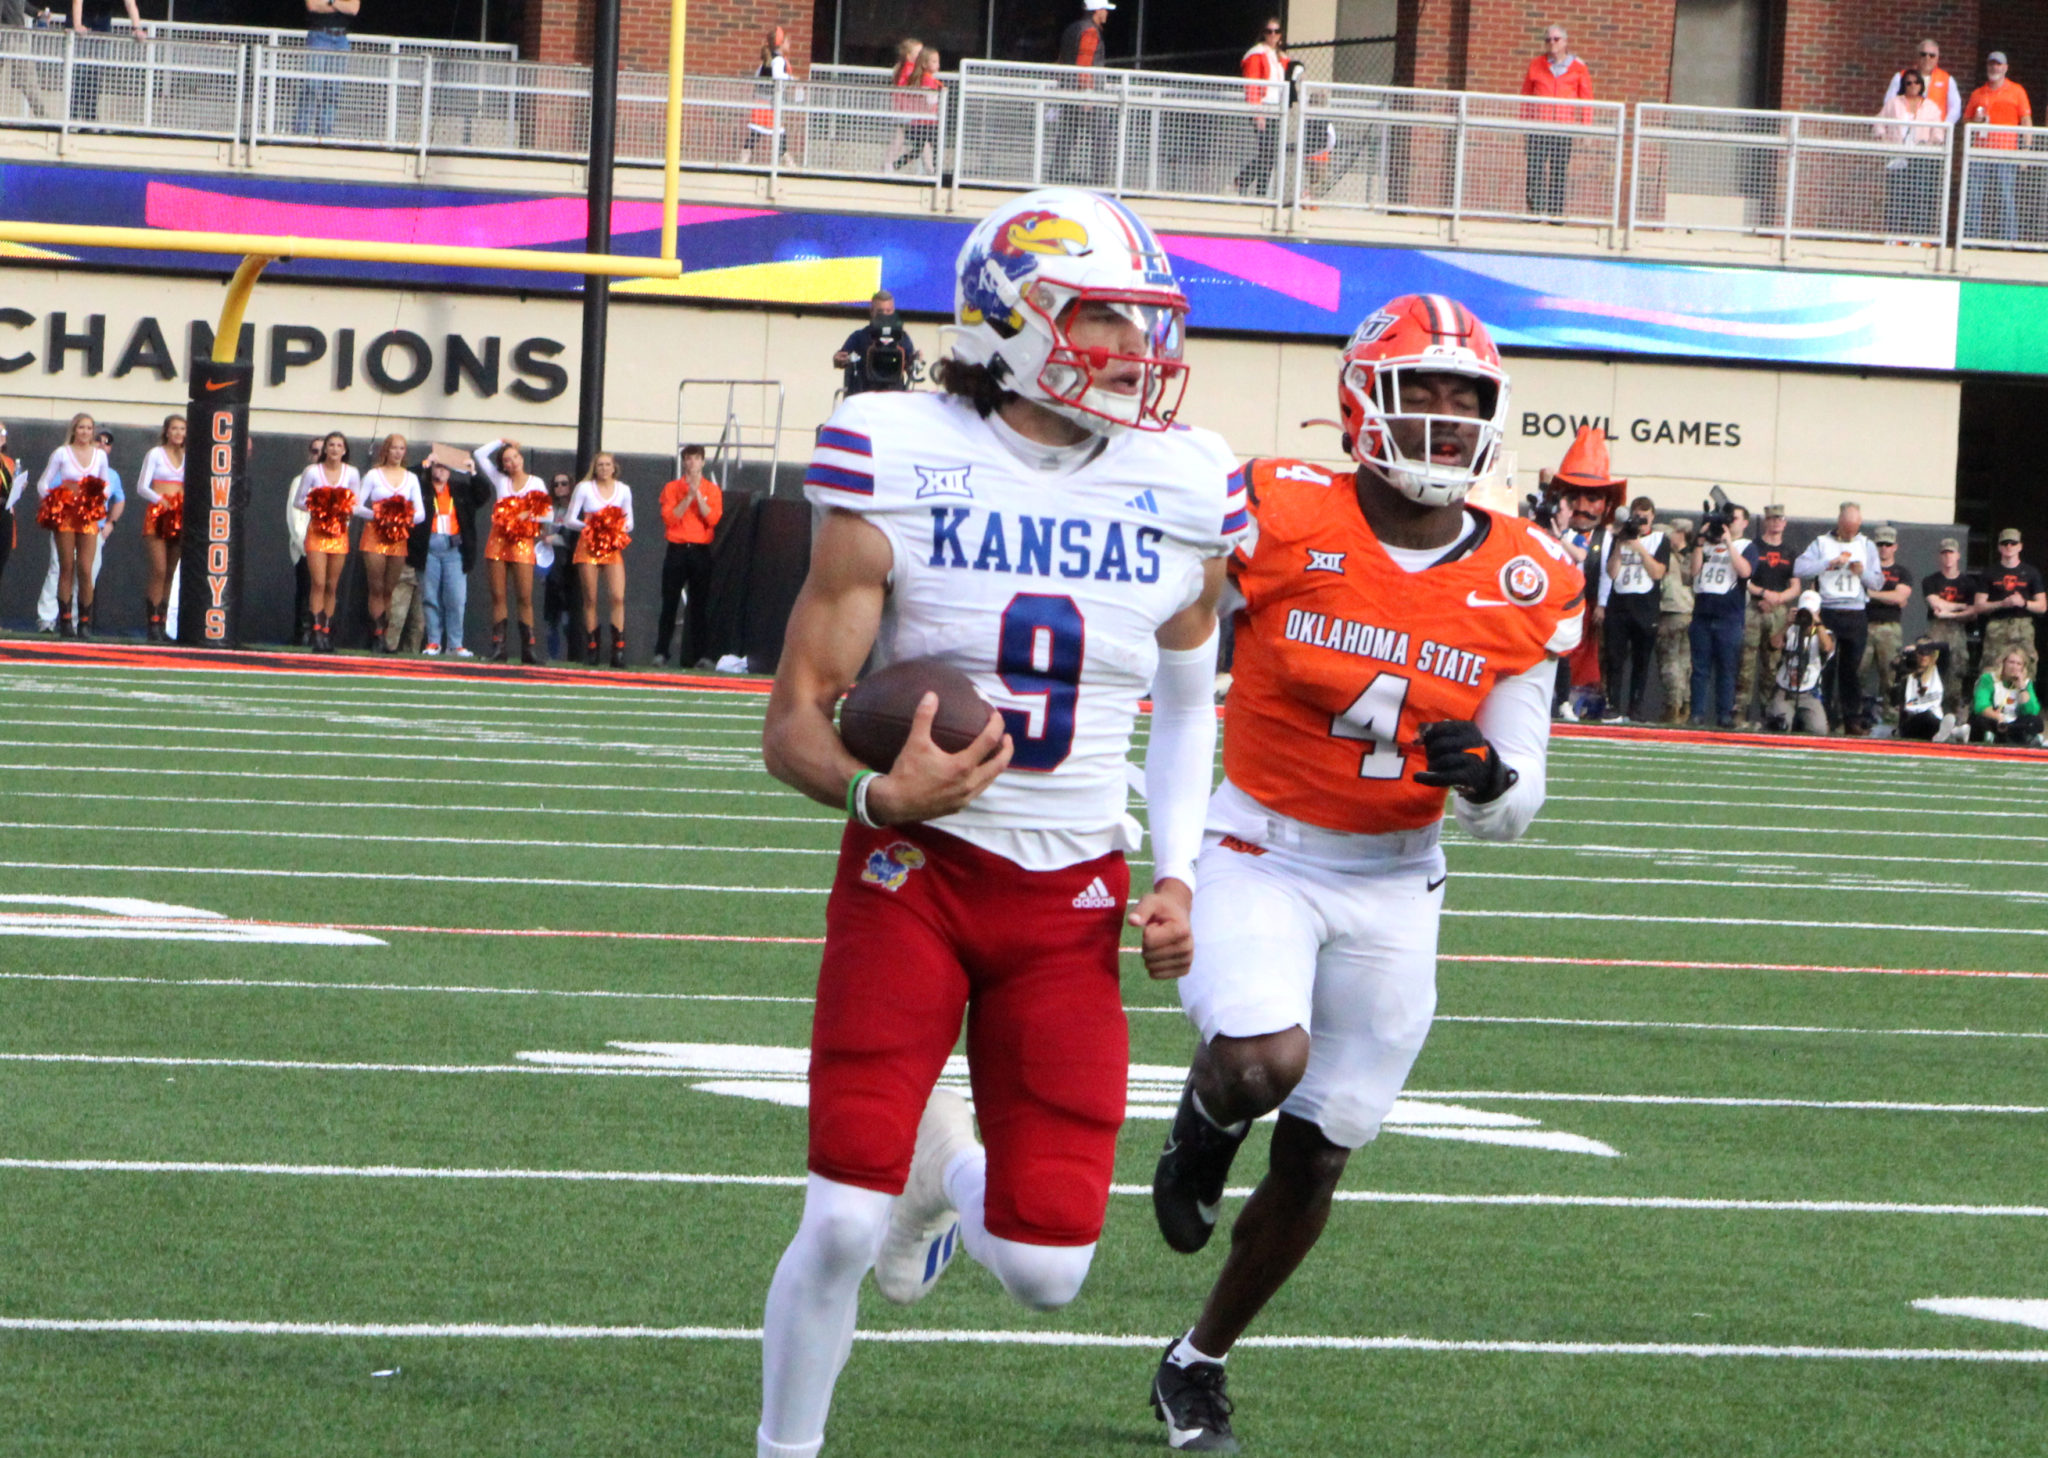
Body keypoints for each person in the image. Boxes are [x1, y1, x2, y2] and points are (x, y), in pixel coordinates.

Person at [754, 188, 1237, 1458]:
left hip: (1071, 891)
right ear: (1011, 319)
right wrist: (876, 795)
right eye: (1101, 321)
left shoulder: (1185, 481)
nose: (1136, 354)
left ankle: (940, 1183)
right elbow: (795, 720)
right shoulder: (893, 448)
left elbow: (1190, 703)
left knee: (1045, 1271)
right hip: (915, 869)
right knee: (838, 1220)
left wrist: (1178, 872)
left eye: (1145, 326)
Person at [1146, 295, 1581, 1456]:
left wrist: (1487, 779)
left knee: (1323, 1145)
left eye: (1465, 397)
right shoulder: (1276, 510)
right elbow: (1172, 647)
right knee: (1261, 1063)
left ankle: (1196, 1364)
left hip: (1397, 875)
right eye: (1422, 391)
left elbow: (1519, 795)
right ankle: (1200, 1118)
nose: (1444, 418)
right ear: (1360, 403)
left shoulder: (1534, 573)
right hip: (1259, 844)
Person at [1538, 426, 1622, 721]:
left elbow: (1606, 571)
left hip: (1585, 606)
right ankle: (1557, 698)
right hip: (1555, 604)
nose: (1583, 507)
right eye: (1575, 498)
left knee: (1589, 658)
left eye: (1593, 499)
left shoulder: (1603, 538)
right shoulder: (1549, 531)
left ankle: (1585, 700)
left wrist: (1601, 603)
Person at [1793, 501, 1884, 734]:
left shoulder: (1866, 545)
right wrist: (1828, 563)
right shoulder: (1822, 543)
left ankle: (1852, 718)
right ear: (1839, 523)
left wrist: (1861, 571)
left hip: (1855, 613)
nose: (1850, 534)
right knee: (1826, 666)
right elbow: (1799, 569)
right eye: (1846, 529)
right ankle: (1825, 717)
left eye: (1854, 529)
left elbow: (1878, 582)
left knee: (1852, 669)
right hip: (1829, 611)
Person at [34, 412, 112, 638]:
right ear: (74, 430)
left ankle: (85, 622)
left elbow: (106, 484)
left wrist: (97, 497)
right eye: (81, 428)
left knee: (86, 569)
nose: (85, 432)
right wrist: (55, 500)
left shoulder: (100, 456)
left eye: (89, 428)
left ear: (93, 431)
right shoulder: (62, 453)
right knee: (65, 566)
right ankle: (66, 620)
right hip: (66, 514)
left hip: (88, 516)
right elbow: (43, 482)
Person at [475, 437, 547, 664]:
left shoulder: (536, 483)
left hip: (523, 542)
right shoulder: (500, 481)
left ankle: (529, 649)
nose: (513, 462)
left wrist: (526, 515)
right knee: (498, 596)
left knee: (524, 597)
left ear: (521, 458)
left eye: (515, 457)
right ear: (503, 465)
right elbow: (479, 455)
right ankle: (499, 648)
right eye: (507, 460)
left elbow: (549, 513)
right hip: (498, 540)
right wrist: (501, 441)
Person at [1597, 495, 1667, 722]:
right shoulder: (1619, 538)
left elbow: (1657, 573)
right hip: (1620, 606)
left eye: (1644, 519)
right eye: (1637, 517)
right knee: (1615, 658)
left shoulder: (1658, 539)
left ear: (1653, 518)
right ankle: (1613, 705)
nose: (1640, 523)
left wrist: (1640, 549)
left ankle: (1635, 707)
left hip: (1645, 606)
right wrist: (1620, 544)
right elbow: (1611, 572)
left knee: (1641, 660)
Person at [653, 444, 723, 669]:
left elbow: (711, 520)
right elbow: (670, 519)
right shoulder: (671, 488)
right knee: (670, 603)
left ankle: (701, 655)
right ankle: (662, 652)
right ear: (683, 462)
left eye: (696, 459)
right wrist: (688, 496)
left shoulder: (712, 490)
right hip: (677, 549)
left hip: (700, 551)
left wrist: (698, 496)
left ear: (703, 462)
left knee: (700, 605)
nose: (692, 463)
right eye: (688, 459)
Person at [354, 433, 424, 653]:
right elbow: (355, 505)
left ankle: (385, 633)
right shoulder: (374, 475)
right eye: (393, 448)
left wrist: (402, 518)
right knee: (376, 587)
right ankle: (377, 634)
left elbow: (420, 512)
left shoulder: (410, 478)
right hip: (375, 535)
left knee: (389, 588)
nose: (397, 452)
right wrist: (379, 515)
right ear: (386, 450)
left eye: (401, 448)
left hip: (398, 537)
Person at [291, 430, 359, 654]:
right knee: (318, 582)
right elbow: (299, 501)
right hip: (318, 531)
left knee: (332, 584)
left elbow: (354, 505)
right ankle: (317, 630)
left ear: (345, 450)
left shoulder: (351, 473)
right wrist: (321, 508)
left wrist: (341, 511)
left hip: (338, 534)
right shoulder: (312, 472)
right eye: (331, 445)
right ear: (325, 449)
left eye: (339, 446)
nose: (335, 449)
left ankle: (327, 630)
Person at [414, 457, 489, 659]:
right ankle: (434, 641)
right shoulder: (421, 488)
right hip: (429, 546)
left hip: (454, 548)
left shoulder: (460, 489)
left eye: (446, 467)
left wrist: (472, 472)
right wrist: (424, 464)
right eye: (438, 467)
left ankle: (455, 644)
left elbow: (483, 495)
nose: (442, 471)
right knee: (430, 596)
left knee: (456, 598)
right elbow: (408, 477)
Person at [567, 451, 634, 668]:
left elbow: (629, 522)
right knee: (591, 598)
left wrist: (613, 527)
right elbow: (569, 519)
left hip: (612, 545)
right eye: (600, 465)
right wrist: (592, 525)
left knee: (617, 596)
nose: (604, 468)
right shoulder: (584, 488)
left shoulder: (623, 490)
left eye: (607, 465)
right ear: (594, 468)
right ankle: (593, 647)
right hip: (588, 545)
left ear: (614, 467)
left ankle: (618, 650)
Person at [1687, 502, 1750, 728]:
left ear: (1744, 523)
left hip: (1729, 616)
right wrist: (1700, 542)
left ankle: (1724, 713)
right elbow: (1693, 572)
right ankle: (1697, 713)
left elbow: (1745, 571)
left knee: (1727, 667)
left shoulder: (1746, 546)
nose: (1728, 523)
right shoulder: (1707, 544)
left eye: (1734, 519)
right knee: (1700, 669)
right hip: (1703, 613)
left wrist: (1728, 543)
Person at [1520, 24, 1591, 218]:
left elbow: (1586, 99)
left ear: (1565, 42)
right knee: (1535, 168)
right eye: (1548, 39)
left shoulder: (1578, 67)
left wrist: (1586, 128)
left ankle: (1555, 213)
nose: (1552, 43)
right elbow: (1526, 95)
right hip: (1539, 126)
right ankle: (1534, 211)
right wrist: (1524, 124)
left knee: (1559, 170)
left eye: (1556, 39)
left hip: (1563, 127)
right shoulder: (1536, 64)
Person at [1739, 504, 1799, 726]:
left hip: (1778, 611)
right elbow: (1746, 580)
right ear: (1765, 520)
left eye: (1779, 518)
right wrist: (1763, 594)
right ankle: (1740, 715)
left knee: (1772, 666)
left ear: (1785, 522)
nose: (1775, 522)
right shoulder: (1753, 547)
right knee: (1745, 664)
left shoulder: (1790, 551)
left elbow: (1795, 585)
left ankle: (1769, 716)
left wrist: (1778, 599)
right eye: (1772, 518)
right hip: (1754, 608)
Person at [1964, 52, 2031, 243]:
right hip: (1979, 152)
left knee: (2005, 196)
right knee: (1974, 196)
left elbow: (2026, 120)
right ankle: (1970, 239)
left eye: (1998, 64)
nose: (1994, 68)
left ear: (2005, 68)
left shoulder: (2017, 91)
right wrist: (1974, 121)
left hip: (2005, 152)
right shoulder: (1978, 93)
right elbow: (1966, 120)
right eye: (1991, 64)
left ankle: (2008, 240)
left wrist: (2025, 151)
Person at [1876, 67, 1947, 239]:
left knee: (1921, 196)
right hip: (1899, 155)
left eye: (1916, 82)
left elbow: (1939, 132)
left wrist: (1930, 144)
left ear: (1921, 85)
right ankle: (1894, 236)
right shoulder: (1894, 103)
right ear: (1904, 85)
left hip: (1921, 157)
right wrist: (1885, 140)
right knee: (1896, 195)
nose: (1913, 85)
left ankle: (1918, 236)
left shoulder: (1930, 106)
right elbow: (1878, 123)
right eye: (1908, 83)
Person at [135, 414, 185, 642]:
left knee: (171, 572)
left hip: (180, 515)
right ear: (166, 431)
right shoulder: (155, 454)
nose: (178, 433)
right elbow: (141, 487)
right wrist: (160, 500)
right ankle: (152, 622)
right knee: (159, 569)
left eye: (182, 429)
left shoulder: (189, 455)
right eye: (174, 429)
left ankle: (162, 623)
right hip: (158, 514)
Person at [1053, 2, 1113, 185]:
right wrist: (1087, 94)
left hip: (1069, 90)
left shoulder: (1071, 29)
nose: (1107, 14)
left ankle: (1056, 175)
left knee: (1067, 134)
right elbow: (1084, 64)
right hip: (1085, 94)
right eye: (1105, 10)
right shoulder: (1090, 32)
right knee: (1101, 136)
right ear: (1096, 11)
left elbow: (1061, 61)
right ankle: (1100, 180)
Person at [1972, 527, 2045, 667]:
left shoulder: (2031, 573)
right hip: (1997, 626)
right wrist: (2001, 604)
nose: (2009, 546)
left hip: (2023, 626)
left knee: (2026, 669)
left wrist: (2023, 603)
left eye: (2013, 543)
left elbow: (2042, 606)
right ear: (1999, 547)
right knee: (1992, 668)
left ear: (2020, 546)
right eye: (2005, 543)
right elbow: (1978, 606)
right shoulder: (1989, 573)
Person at [1922, 535, 1978, 717]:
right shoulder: (1931, 581)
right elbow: (1935, 604)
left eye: (1951, 553)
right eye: (1944, 553)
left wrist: (1948, 612)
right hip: (1936, 632)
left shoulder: (1968, 583)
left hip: (1958, 634)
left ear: (1958, 555)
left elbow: (1973, 612)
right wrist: (1960, 607)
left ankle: (1953, 718)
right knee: (1931, 671)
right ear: (1940, 556)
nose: (1948, 557)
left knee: (1956, 676)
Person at [1767, 589, 1834, 735]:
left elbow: (1828, 647)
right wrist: (1786, 624)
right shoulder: (1790, 630)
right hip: (1785, 690)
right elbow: (1773, 645)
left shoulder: (1824, 634)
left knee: (1819, 730)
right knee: (1780, 727)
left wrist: (1817, 623)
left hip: (1809, 692)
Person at [68, 0, 145, 126]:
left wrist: (137, 28)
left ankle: (90, 118)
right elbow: (77, 2)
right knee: (78, 71)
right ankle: (72, 117)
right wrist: (77, 25)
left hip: (102, 21)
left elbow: (130, 3)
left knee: (95, 72)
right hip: (83, 17)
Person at [1864, 525, 1912, 727]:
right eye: (1880, 544)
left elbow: (1900, 596)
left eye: (1888, 544)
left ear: (1895, 547)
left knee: (1890, 676)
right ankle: (1851, 718)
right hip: (1864, 625)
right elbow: (1893, 598)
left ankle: (1890, 720)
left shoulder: (1901, 572)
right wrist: (1890, 598)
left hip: (1889, 628)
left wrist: (1872, 595)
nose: (1883, 548)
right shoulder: (1865, 569)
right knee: (1856, 672)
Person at [1236, 18, 1288, 199]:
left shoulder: (1280, 57)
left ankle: (1251, 187)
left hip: (1276, 110)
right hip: (1263, 107)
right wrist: (1257, 112)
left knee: (1270, 153)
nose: (1272, 35)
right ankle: (1248, 185)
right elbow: (1251, 84)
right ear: (1263, 33)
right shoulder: (1256, 53)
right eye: (1269, 31)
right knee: (1267, 151)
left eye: (1276, 31)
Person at [833, 291, 919, 397]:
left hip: (894, 397)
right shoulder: (859, 337)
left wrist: (915, 361)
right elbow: (840, 359)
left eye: (888, 311)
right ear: (872, 312)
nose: (884, 315)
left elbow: (911, 369)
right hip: (864, 397)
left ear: (893, 311)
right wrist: (839, 359)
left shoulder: (902, 338)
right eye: (880, 312)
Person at [296, 0, 359, 138]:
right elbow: (312, 5)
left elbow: (353, 9)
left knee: (333, 90)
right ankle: (300, 134)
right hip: (318, 36)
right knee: (312, 88)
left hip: (341, 39)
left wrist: (330, 2)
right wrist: (340, 6)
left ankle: (324, 135)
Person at [1656, 517, 1694, 724]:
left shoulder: (1667, 557)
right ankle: (1684, 705)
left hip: (1670, 611)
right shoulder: (1687, 557)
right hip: (1688, 611)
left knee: (1670, 663)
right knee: (1684, 664)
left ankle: (1674, 706)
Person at [539, 471, 579, 661]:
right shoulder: (550, 509)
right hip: (551, 562)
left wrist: (555, 538)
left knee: (567, 616)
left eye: (564, 483)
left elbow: (572, 537)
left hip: (569, 564)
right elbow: (543, 533)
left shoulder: (575, 508)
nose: (560, 488)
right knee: (551, 618)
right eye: (556, 484)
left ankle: (573, 655)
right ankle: (552, 657)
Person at [1971, 647, 2044, 745]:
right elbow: (1981, 705)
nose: (2014, 667)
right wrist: (1997, 717)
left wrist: (2022, 688)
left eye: (2018, 664)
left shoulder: (2026, 683)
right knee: (1980, 720)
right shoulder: (1989, 679)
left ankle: (2019, 736)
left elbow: (2032, 711)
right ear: (2004, 663)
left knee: (2035, 722)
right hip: (1995, 719)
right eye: (2011, 662)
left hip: (2015, 723)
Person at [1884, 38, 1963, 126]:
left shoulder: (1947, 79)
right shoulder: (1901, 76)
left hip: (1934, 131)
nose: (1927, 58)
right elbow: (1889, 102)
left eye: (1932, 55)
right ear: (1917, 56)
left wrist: (1943, 127)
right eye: (1923, 54)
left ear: (1937, 58)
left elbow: (1955, 108)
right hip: (1904, 128)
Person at [286, 437, 319, 645]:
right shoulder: (300, 480)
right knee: (306, 590)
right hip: (305, 547)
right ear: (309, 454)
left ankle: (321, 632)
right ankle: (303, 634)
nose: (319, 455)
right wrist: (304, 544)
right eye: (315, 451)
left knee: (325, 589)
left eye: (322, 451)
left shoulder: (337, 481)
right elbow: (293, 515)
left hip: (330, 545)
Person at [892, 47, 943, 174]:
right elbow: (929, 99)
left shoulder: (929, 78)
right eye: (934, 62)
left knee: (919, 148)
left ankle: (899, 162)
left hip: (923, 122)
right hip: (925, 123)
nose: (938, 65)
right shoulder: (926, 79)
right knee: (936, 144)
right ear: (925, 64)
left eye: (937, 61)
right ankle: (936, 171)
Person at [744, 33, 792, 167]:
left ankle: (746, 154)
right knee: (779, 130)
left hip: (762, 101)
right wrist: (789, 78)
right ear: (781, 45)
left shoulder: (767, 62)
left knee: (758, 131)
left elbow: (757, 76)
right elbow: (777, 75)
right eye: (787, 42)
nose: (789, 45)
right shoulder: (778, 60)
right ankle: (785, 158)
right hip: (770, 103)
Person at [1895, 639, 1954, 743]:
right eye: (1920, 653)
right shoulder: (1908, 673)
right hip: (1911, 723)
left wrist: (1925, 646)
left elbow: (1945, 646)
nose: (1924, 657)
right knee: (1926, 715)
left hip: (1934, 722)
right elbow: (1897, 665)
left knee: (1932, 717)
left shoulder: (1938, 671)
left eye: (1927, 653)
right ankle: (1954, 732)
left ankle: (1943, 734)